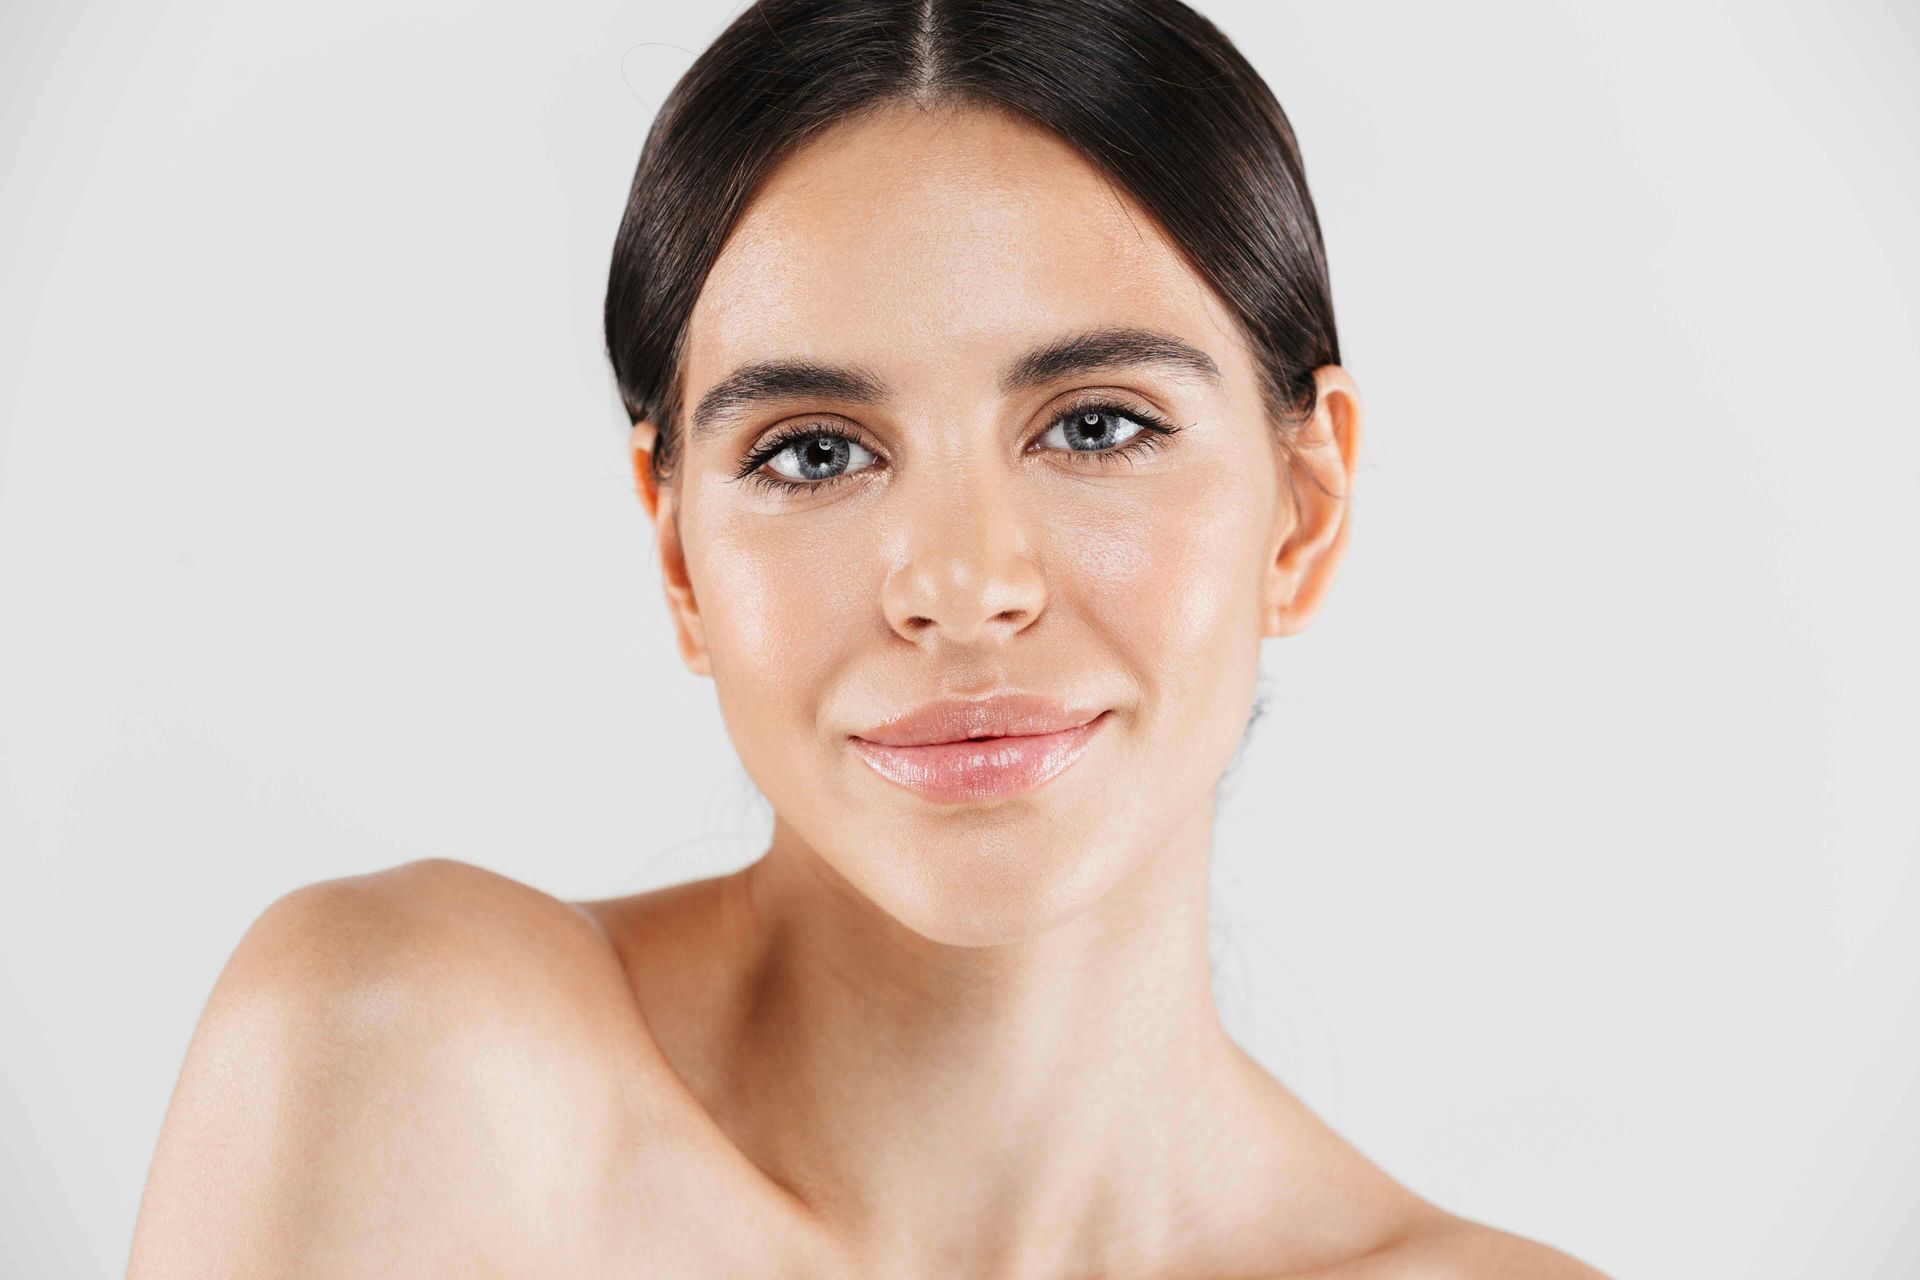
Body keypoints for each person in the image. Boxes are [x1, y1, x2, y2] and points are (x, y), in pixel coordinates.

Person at [128, 0, 1609, 1274]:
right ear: (678, 553)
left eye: (1095, 426)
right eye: (815, 453)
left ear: (1304, 506)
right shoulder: (408, 1066)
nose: (962, 587)